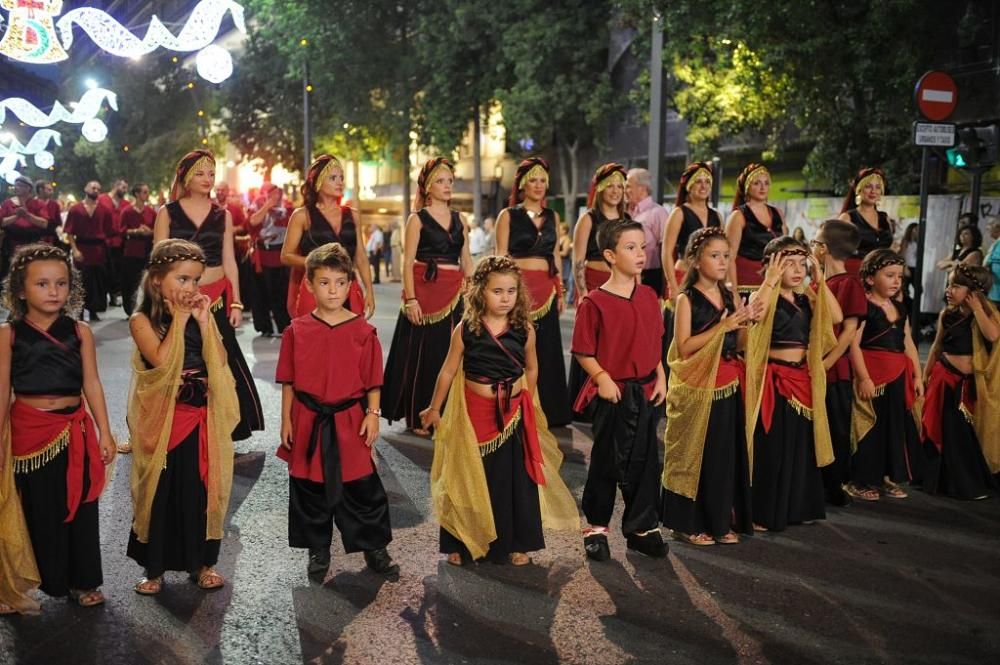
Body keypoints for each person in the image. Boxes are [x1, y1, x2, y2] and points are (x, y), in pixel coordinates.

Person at [420, 255, 578, 566]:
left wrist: (527, 399)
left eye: (511, 291)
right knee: (466, 476)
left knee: (514, 480)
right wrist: (434, 407)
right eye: (497, 291)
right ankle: (461, 542)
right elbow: (448, 372)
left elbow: (532, 369)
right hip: (474, 416)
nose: (505, 298)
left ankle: (515, 543)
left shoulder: (524, 329)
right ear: (479, 292)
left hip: (514, 414)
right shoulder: (466, 329)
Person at [0, 244, 115, 610]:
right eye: (43, 284)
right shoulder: (9, 334)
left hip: (75, 431)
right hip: (28, 434)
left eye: (61, 283)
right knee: (37, 509)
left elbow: (92, 383)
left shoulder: (80, 331)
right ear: (20, 290)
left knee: (81, 507)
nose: (54, 292)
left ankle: (83, 582)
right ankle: (26, 583)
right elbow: (3, 391)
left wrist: (105, 431)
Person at [277, 243, 398, 578]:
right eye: (325, 282)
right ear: (310, 286)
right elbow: (288, 380)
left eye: (340, 282)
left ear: (350, 285)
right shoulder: (297, 330)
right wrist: (285, 419)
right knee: (309, 490)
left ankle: (374, 547)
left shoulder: (363, 331)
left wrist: (373, 415)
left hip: (349, 420)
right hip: (308, 419)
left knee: (362, 488)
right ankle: (318, 551)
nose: (333, 290)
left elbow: (374, 380)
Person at [126, 239, 238, 595]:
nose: (191, 288)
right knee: (161, 490)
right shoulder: (141, 320)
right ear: (158, 280)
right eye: (183, 279)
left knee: (201, 488)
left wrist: (205, 323)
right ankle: (154, 568)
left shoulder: (199, 316)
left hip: (200, 415)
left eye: (195, 281)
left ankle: (203, 563)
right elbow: (161, 361)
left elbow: (219, 361)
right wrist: (180, 320)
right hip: (164, 419)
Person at [572, 219, 668, 561]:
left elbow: (654, 341)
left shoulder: (649, 296)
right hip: (612, 393)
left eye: (643, 247)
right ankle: (595, 528)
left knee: (645, 461)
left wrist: (661, 376)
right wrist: (601, 377)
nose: (641, 254)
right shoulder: (594, 302)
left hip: (646, 390)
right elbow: (583, 351)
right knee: (607, 462)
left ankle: (642, 527)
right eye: (631, 248)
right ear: (610, 255)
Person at [154, 150, 263, 441]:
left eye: (212, 173)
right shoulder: (167, 212)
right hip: (177, 297)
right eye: (200, 173)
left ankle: (225, 425)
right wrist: (162, 300)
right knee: (177, 359)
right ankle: (169, 427)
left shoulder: (222, 215)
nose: (207, 179)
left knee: (221, 359)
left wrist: (237, 300)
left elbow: (229, 260)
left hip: (215, 297)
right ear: (186, 177)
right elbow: (158, 260)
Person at [661, 228, 755, 546]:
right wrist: (723, 326)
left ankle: (718, 521)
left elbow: (739, 344)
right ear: (696, 260)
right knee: (696, 455)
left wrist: (749, 325)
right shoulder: (686, 299)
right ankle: (687, 524)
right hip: (699, 387)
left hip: (728, 383)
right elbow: (684, 347)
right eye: (714, 255)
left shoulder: (731, 296)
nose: (722, 261)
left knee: (723, 457)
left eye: (726, 256)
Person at [744, 237, 841, 531]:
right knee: (772, 448)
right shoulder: (763, 295)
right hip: (774, 381)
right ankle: (764, 512)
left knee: (800, 448)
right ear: (772, 265)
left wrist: (819, 277)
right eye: (789, 264)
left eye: (802, 264)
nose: (798, 270)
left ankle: (796, 508)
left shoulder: (805, 297)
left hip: (802, 379)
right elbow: (754, 313)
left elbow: (835, 316)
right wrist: (771, 281)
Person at [383, 158, 473, 435]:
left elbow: (466, 261)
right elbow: (407, 262)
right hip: (423, 292)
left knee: (453, 354)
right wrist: (411, 299)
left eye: (450, 181)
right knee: (423, 356)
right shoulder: (417, 219)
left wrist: (472, 292)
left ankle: (449, 414)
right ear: (427, 187)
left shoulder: (461, 219)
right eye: (441, 181)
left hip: (454, 292)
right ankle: (420, 415)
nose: (447, 186)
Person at [494, 157, 571, 426]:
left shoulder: (552, 216)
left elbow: (555, 257)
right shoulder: (508, 215)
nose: (539, 186)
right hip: (517, 291)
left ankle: (548, 410)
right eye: (533, 181)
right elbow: (501, 256)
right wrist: (504, 291)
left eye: (543, 181)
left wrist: (560, 292)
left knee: (547, 349)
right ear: (523, 185)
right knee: (516, 346)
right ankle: (512, 404)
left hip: (546, 291)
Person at [846, 249, 924, 501]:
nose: (896, 281)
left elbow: (908, 342)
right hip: (873, 374)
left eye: (899, 277)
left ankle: (886, 477)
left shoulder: (900, 307)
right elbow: (853, 344)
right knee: (870, 428)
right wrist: (864, 377)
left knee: (895, 428)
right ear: (870, 278)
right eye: (890, 275)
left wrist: (918, 376)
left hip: (899, 374)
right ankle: (859, 480)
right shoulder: (864, 307)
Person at [921, 264, 999, 500]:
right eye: (949, 284)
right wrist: (926, 373)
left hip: (966, 384)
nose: (949, 290)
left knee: (962, 435)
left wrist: (976, 308)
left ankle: (966, 483)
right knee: (939, 428)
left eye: (955, 286)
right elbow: (937, 344)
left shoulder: (987, 315)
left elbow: (993, 335)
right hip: (943, 376)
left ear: (975, 291)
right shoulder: (948, 313)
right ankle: (938, 480)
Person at [811, 220, 867, 506]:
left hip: (834, 371)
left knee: (836, 428)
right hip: (814, 366)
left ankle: (835, 486)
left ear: (823, 249)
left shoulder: (848, 283)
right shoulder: (817, 282)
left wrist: (825, 364)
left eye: (815, 242)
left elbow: (849, 332)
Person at [569, 163, 629, 418]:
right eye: (610, 186)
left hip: (622, 288)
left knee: (616, 343)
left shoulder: (628, 221)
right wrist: (582, 292)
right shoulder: (589, 219)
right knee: (591, 342)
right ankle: (586, 401)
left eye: (620, 186)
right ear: (600, 189)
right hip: (594, 286)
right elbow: (577, 259)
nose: (615, 191)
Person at [281, 155, 375, 319]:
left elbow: (360, 257)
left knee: (349, 341)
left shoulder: (353, 215)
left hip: (347, 288)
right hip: (316, 290)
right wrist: (318, 261)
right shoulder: (302, 215)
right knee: (315, 341)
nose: (340, 182)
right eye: (333, 178)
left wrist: (370, 291)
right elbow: (286, 256)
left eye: (341, 178)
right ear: (317, 182)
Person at [661, 162, 723, 374]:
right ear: (687, 186)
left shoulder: (716, 216)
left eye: (707, 181)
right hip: (682, 276)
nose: (703, 185)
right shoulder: (679, 213)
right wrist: (672, 285)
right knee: (679, 333)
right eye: (698, 181)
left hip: (708, 282)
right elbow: (666, 251)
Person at [725, 163, 786, 294]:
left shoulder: (778, 213)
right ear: (747, 187)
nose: (763, 187)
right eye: (757, 183)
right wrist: (733, 291)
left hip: (775, 282)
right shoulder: (738, 216)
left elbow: (786, 250)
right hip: (746, 284)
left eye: (766, 183)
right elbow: (729, 257)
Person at [63, 181, 114, 321]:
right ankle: (79, 311)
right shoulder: (75, 209)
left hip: (99, 250)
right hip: (82, 248)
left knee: (97, 282)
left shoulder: (104, 209)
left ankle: (93, 310)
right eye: (93, 187)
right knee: (81, 281)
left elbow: (109, 231)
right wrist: (75, 250)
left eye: (98, 188)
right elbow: (69, 232)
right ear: (85, 188)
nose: (96, 190)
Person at [248, 183, 293, 336]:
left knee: (281, 293)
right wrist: (267, 206)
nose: (275, 196)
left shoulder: (286, 208)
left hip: (280, 255)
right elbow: (252, 222)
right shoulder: (256, 208)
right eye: (270, 193)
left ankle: (283, 325)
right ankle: (264, 326)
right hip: (262, 255)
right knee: (261, 293)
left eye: (277, 193)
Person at [838, 168, 894, 276]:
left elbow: (889, 249)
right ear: (858, 189)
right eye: (868, 186)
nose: (873, 191)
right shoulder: (847, 218)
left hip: (882, 277)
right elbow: (836, 254)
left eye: (878, 187)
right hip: (856, 275)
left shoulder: (884, 218)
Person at [627, 167, 668, 295]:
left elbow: (665, 247)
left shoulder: (658, 212)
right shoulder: (626, 212)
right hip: (627, 274)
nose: (625, 191)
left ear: (642, 188)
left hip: (650, 275)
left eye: (628, 186)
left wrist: (665, 283)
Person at [119, 183, 155, 316]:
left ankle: (144, 309)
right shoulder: (127, 211)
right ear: (137, 194)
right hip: (131, 252)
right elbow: (121, 231)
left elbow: (157, 230)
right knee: (130, 282)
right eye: (145, 192)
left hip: (147, 252)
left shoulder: (151, 212)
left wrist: (149, 231)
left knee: (145, 282)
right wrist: (136, 231)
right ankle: (130, 310)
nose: (147, 194)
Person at [1, 177, 53, 267]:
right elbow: (2, 222)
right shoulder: (7, 203)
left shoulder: (38, 203)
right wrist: (17, 216)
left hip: (32, 243)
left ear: (28, 188)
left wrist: (27, 216)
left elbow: (44, 223)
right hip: (12, 244)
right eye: (15, 185)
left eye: (20, 186)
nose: (16, 188)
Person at [98, 178, 130, 307]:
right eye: (123, 187)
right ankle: (104, 295)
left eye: (126, 188)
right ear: (115, 186)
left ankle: (114, 294)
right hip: (104, 240)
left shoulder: (126, 203)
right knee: (104, 270)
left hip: (120, 241)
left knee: (117, 270)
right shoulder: (101, 199)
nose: (124, 190)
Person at [32, 179, 62, 245]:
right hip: (34, 238)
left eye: (52, 190)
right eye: (49, 190)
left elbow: (58, 222)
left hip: (51, 239)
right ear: (40, 190)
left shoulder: (54, 204)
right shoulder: (31, 203)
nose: (52, 192)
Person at [984, 217, 1000, 308]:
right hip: (994, 292)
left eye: (989, 225)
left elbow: (987, 263)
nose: (987, 229)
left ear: (997, 227)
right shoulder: (996, 243)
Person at [557, 221, 574, 306]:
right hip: (558, 261)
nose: (558, 230)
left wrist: (555, 253)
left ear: (564, 230)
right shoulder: (558, 239)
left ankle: (566, 300)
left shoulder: (566, 239)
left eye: (560, 229)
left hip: (564, 263)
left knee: (564, 281)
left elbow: (564, 252)